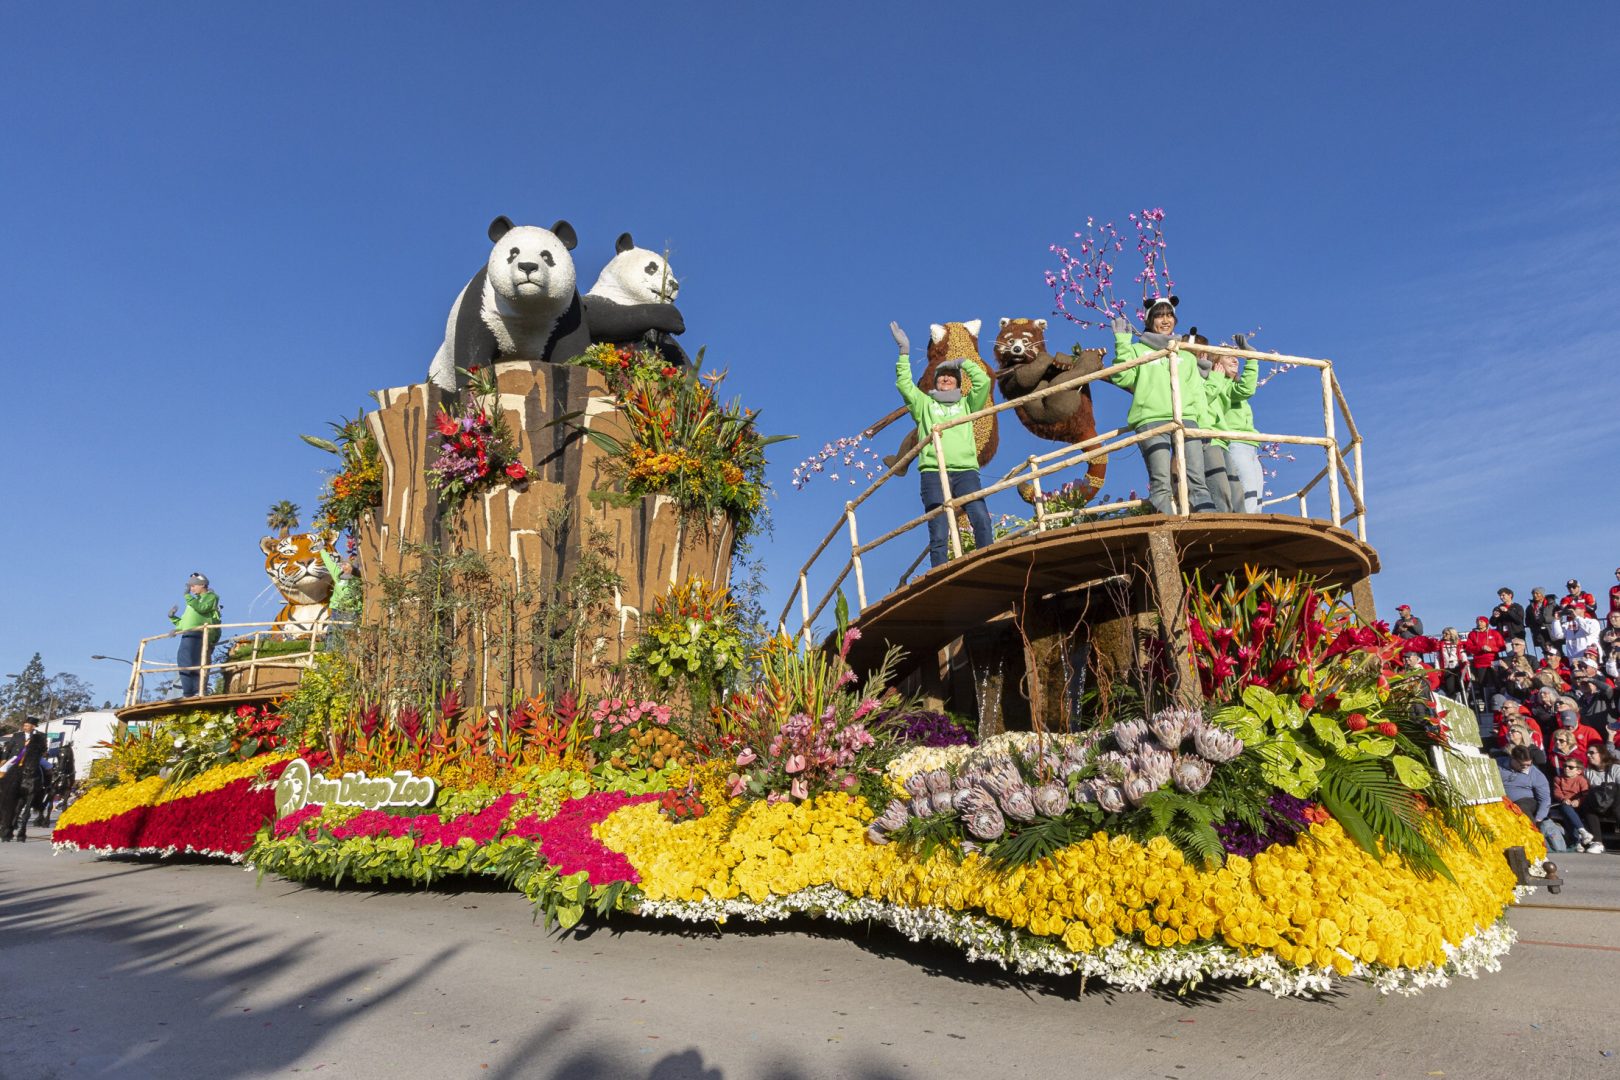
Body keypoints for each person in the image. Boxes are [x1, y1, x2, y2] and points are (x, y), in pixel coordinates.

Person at [890, 321, 993, 568]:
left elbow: (984, 383)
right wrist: (904, 352)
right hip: (934, 473)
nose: (946, 379)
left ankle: (987, 560)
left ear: (958, 383)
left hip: (965, 471)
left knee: (980, 516)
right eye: (942, 377)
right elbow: (905, 386)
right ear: (935, 383)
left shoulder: (968, 404)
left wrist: (964, 363)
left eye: (950, 377)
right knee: (938, 528)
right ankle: (940, 572)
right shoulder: (925, 405)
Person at [1107, 298, 1217, 515]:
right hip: (1151, 419)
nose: (1165, 320)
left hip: (1187, 419)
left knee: (1197, 479)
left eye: (1169, 315)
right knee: (1161, 482)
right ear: (1149, 320)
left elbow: (1197, 392)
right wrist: (1122, 342)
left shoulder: (1185, 353)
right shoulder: (1138, 350)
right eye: (1159, 315)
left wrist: (1204, 426)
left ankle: (1210, 526)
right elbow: (1122, 377)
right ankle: (1169, 529)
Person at [1202, 336, 1262, 513]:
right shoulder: (1222, 385)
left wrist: (1250, 357)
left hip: (1251, 444)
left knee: (1257, 493)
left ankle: (1256, 527)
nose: (1235, 359)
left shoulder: (1230, 386)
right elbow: (1246, 389)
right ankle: (1249, 528)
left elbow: (1244, 388)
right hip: (1236, 443)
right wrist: (1251, 358)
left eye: (1236, 356)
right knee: (1248, 491)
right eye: (1229, 356)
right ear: (1217, 363)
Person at [169, 572, 222, 697]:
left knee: (196, 662)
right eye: (190, 586)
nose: (191, 589)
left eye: (193, 586)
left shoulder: (211, 597)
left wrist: (187, 596)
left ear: (202, 585)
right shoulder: (193, 601)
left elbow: (202, 608)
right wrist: (174, 621)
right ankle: (187, 691)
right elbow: (186, 621)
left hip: (199, 633)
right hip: (187, 633)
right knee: (183, 662)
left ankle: (197, 689)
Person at [1, 718, 47, 842]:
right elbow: (9, 748)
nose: (25, 727)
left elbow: (44, 748)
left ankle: (46, 785)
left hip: (33, 759)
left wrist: (40, 754)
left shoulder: (40, 736)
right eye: (24, 725)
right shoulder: (17, 735)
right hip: (17, 758)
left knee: (49, 767)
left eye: (28, 725)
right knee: (4, 768)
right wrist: (4, 759)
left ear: (33, 726)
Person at [1499, 745, 1554, 846]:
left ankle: (1534, 842)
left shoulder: (1536, 774)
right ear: (1513, 759)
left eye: (1529, 764)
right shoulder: (1499, 764)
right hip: (1500, 802)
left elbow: (1545, 799)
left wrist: (1539, 818)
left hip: (1525, 801)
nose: (1526, 767)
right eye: (1522, 765)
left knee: (1520, 807)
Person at [1578, 742, 1620, 852]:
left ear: (1602, 754)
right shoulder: (1588, 772)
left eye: (1592, 753)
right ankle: (1598, 843)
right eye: (1587, 753)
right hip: (1599, 805)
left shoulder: (1615, 768)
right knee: (1587, 803)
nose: (1588, 755)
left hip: (1615, 805)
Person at [1549, 755, 1595, 853]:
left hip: (1579, 805)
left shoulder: (1581, 780)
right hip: (1564, 804)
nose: (1566, 768)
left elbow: (1585, 794)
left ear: (1578, 771)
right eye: (1565, 766)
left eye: (1571, 767)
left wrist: (1579, 801)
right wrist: (1564, 799)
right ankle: (1582, 832)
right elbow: (1557, 792)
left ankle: (1577, 841)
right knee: (1566, 810)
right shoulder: (1558, 778)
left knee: (1570, 815)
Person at [318, 545, 362, 628]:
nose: (343, 566)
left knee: (348, 634)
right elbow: (329, 562)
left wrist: (359, 609)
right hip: (336, 610)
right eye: (342, 564)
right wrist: (321, 550)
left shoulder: (357, 580)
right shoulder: (338, 575)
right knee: (332, 633)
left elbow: (359, 596)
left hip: (350, 611)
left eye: (345, 564)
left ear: (351, 567)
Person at [1526, 587, 1559, 660]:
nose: (1535, 595)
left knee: (1555, 649)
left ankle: (1559, 664)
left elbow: (1559, 617)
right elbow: (1527, 620)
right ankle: (1548, 664)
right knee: (1545, 650)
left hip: (1550, 630)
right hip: (1538, 631)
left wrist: (1545, 619)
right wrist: (1533, 625)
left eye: (1537, 593)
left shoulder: (1551, 604)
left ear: (1542, 594)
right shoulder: (1530, 607)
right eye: (1533, 593)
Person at [1435, 626, 1468, 699]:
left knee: (1461, 686)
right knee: (1450, 688)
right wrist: (1437, 668)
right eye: (1443, 633)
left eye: (1446, 634)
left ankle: (1464, 702)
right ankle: (1453, 702)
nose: (1444, 635)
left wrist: (1465, 661)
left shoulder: (1457, 644)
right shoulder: (1439, 645)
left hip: (1457, 667)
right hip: (1446, 668)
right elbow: (1437, 658)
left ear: (1452, 634)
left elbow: (1462, 653)